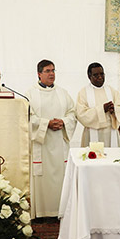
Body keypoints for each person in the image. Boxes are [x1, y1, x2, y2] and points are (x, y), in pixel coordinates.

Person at [28, 59, 77, 218]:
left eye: (53, 71)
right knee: (42, 178)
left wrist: (63, 122)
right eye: (48, 71)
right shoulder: (30, 93)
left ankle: (61, 211)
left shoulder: (63, 93)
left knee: (61, 177)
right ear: (39, 74)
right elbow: (27, 117)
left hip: (59, 142)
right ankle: (42, 213)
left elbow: (72, 113)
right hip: (41, 144)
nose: (51, 74)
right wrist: (46, 123)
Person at [76, 62, 120, 146]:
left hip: (111, 132)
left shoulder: (111, 91)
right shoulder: (83, 93)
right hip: (92, 132)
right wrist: (102, 109)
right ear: (89, 76)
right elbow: (81, 114)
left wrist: (114, 109)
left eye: (102, 74)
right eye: (96, 75)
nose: (100, 77)